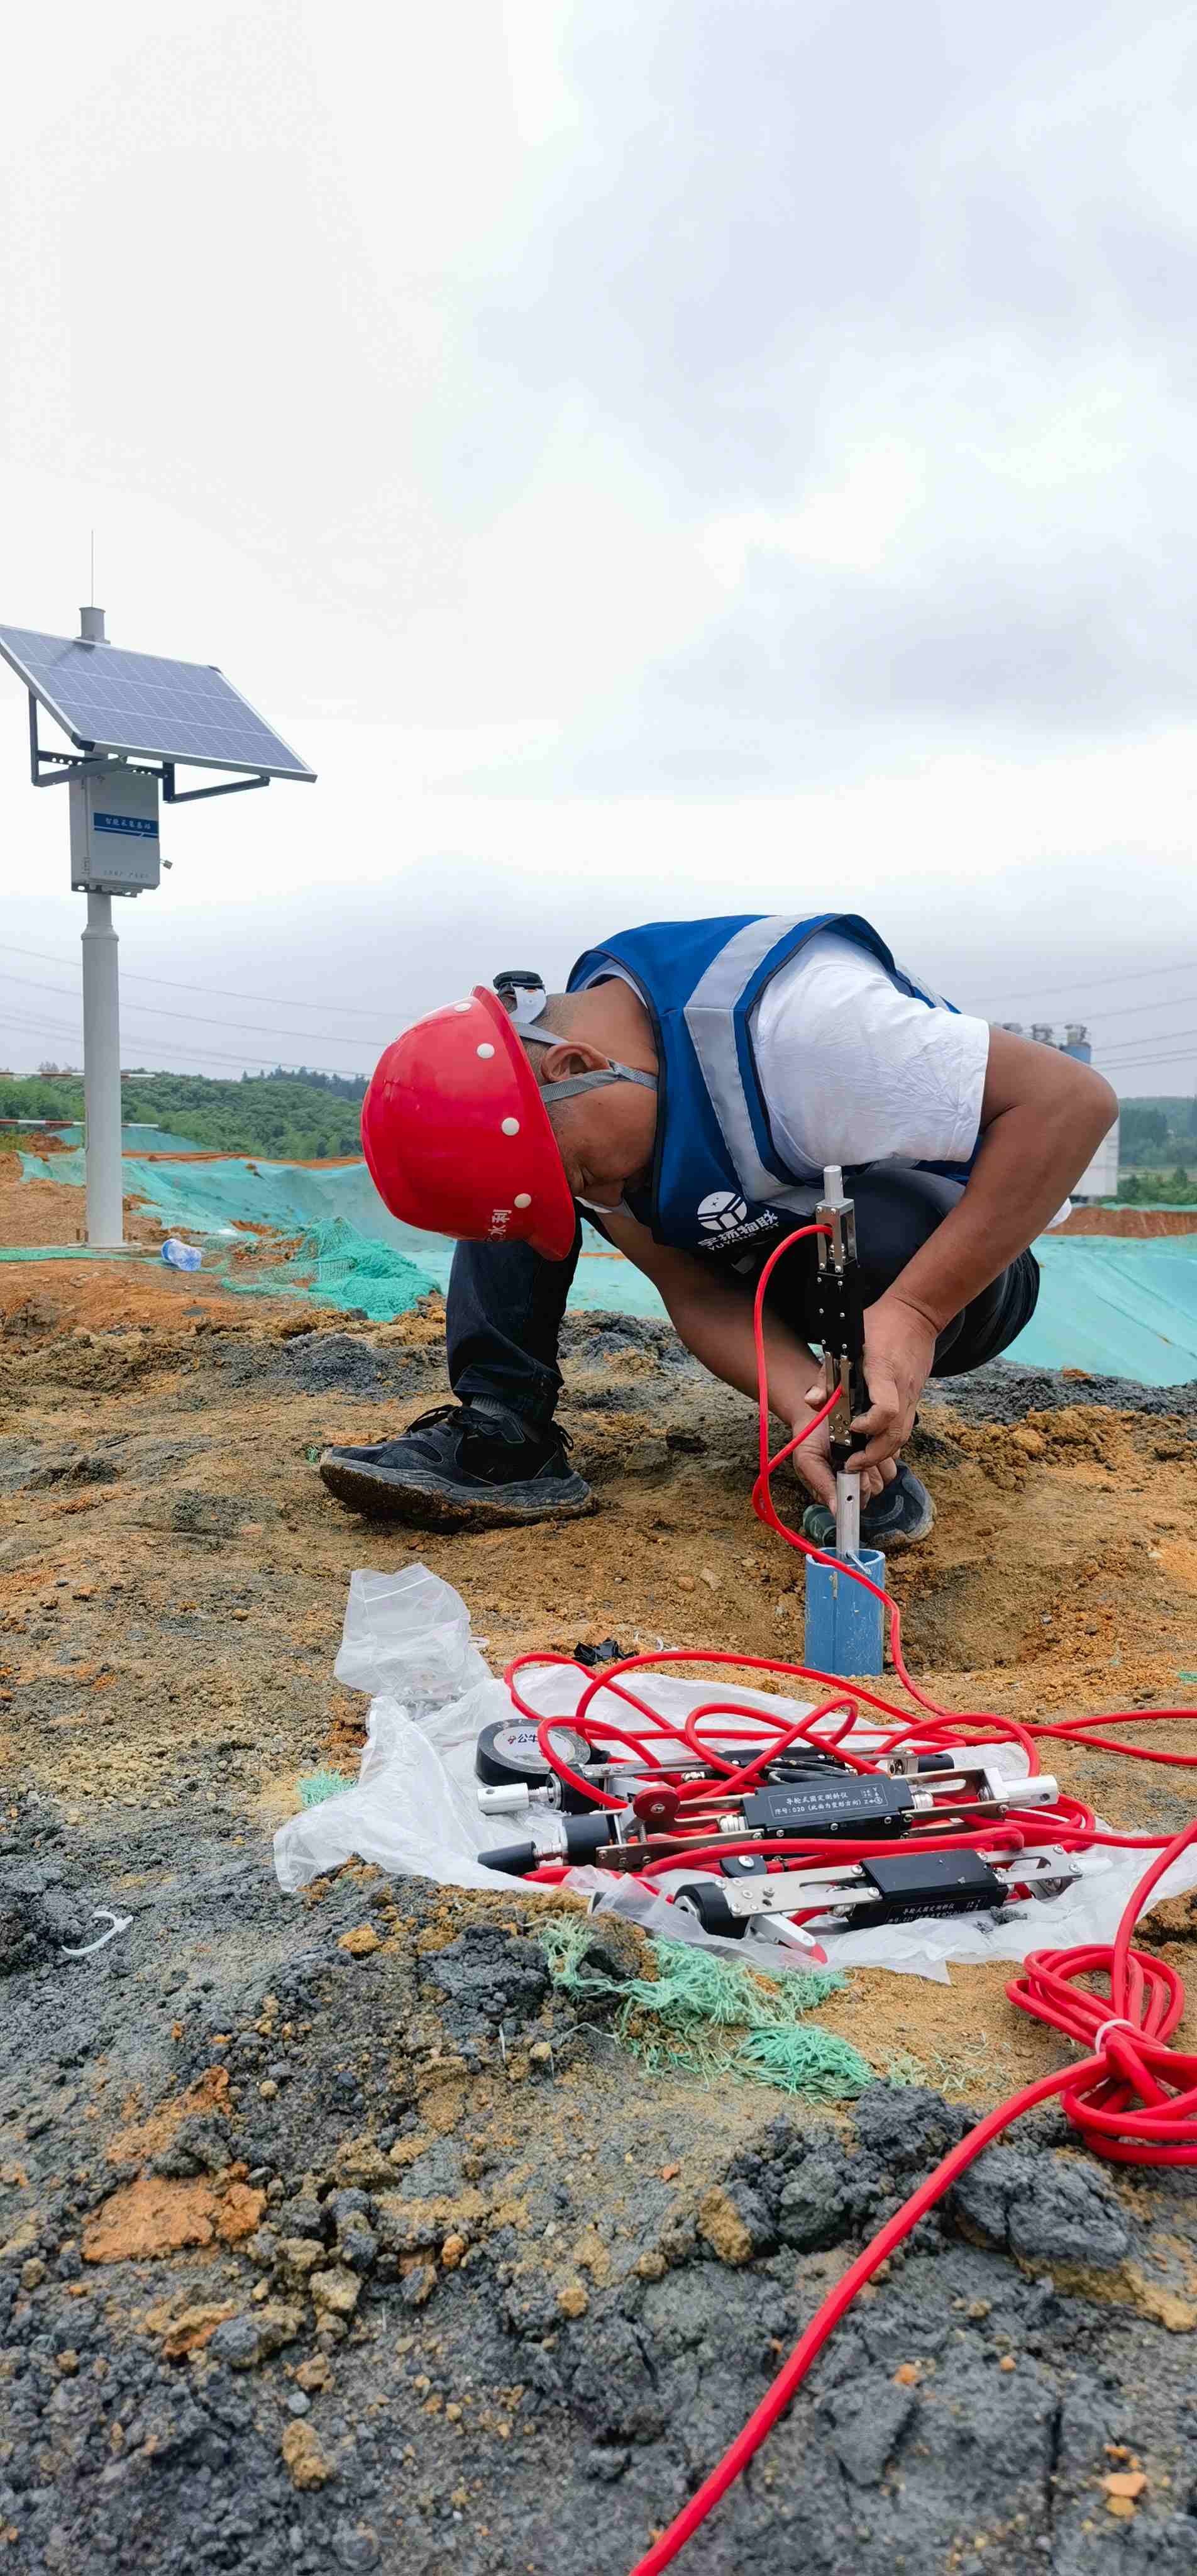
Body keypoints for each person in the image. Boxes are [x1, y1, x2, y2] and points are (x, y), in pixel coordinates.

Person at [319, 912, 1116, 1544]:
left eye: (586, 1176)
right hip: (767, 1242)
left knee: (873, 1230)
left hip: (957, 1261)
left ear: (576, 1067)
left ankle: (881, 1383)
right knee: (500, 1188)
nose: (601, 1197)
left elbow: (1071, 1102)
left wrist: (915, 1312)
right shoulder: (581, 1103)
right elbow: (692, 1285)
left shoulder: (808, 1029)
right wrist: (803, 1411)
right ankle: (503, 1436)